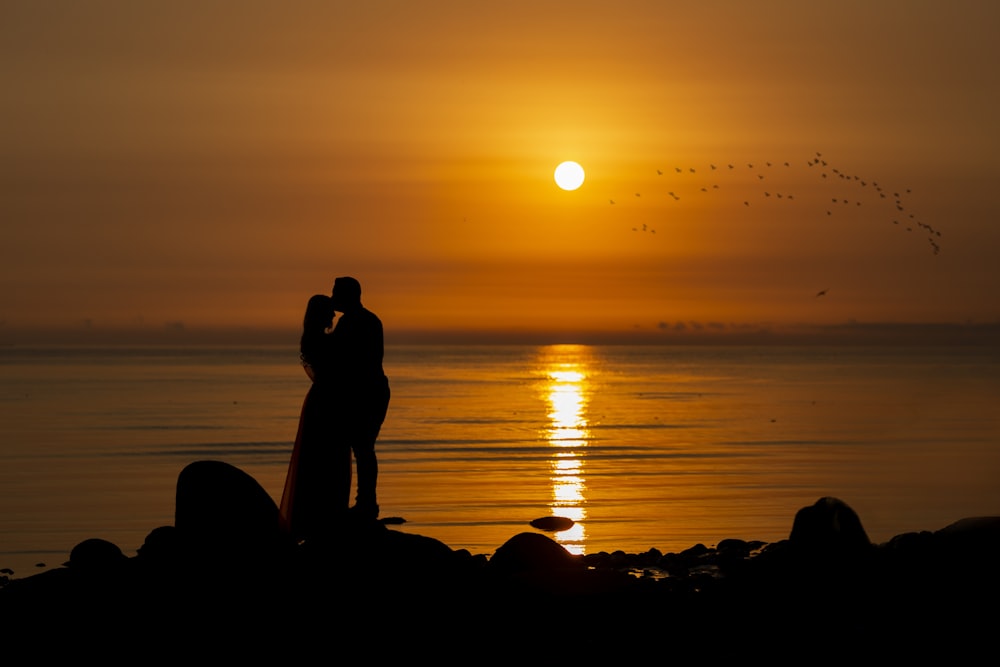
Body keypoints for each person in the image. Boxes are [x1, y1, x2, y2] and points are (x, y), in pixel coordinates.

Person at [278, 294, 352, 541]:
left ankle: (322, 517)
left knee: (324, 459)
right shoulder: (321, 341)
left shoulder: (314, 339)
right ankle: (324, 517)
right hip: (326, 404)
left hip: (323, 401)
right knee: (327, 459)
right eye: (329, 312)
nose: (333, 316)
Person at [330, 276, 390, 521]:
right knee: (364, 448)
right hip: (372, 390)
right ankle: (365, 502)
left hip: (365, 392)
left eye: (336, 293)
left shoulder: (354, 322)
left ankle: (366, 503)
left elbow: (348, 361)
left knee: (363, 448)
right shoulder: (367, 320)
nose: (333, 298)